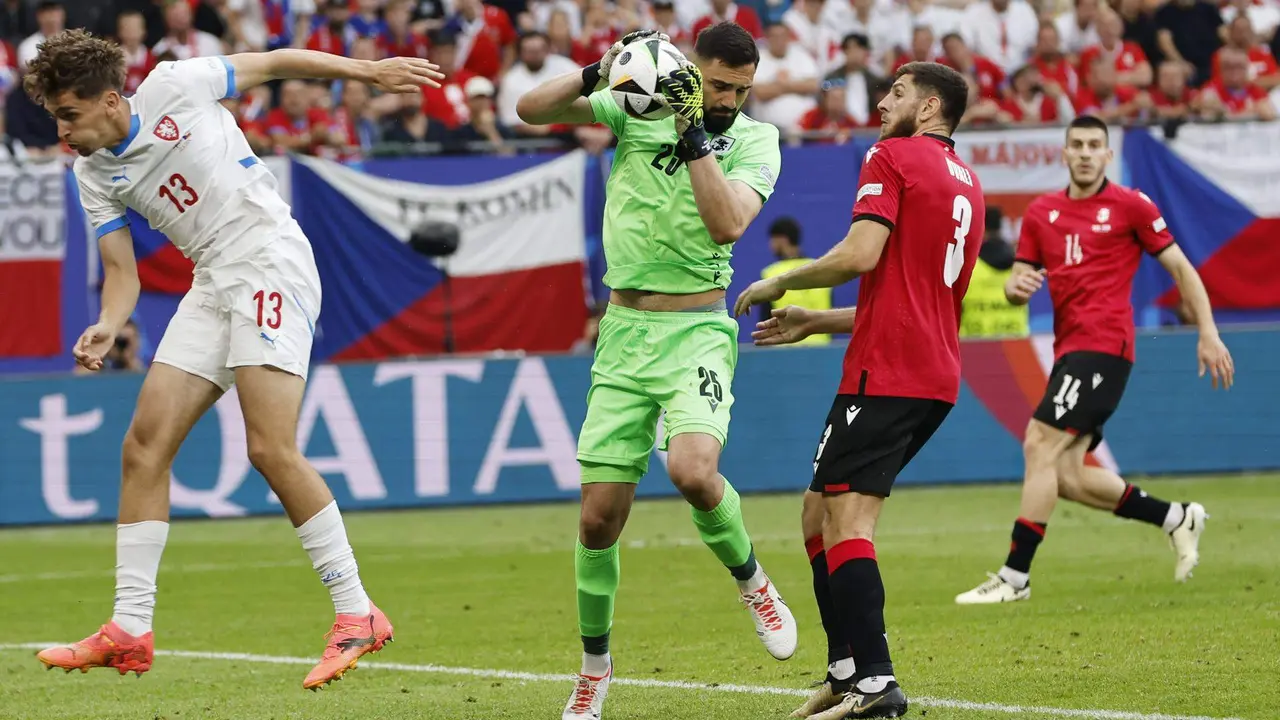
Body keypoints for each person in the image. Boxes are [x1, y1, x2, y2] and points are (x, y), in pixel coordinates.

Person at [24, 29, 443, 690]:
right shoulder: (93, 173)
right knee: (144, 447)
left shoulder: (175, 84)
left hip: (269, 260)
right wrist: (108, 322)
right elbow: (120, 272)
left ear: (109, 101)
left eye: (69, 115)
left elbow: (275, 62)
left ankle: (357, 611)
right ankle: (130, 628)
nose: (63, 132)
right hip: (215, 280)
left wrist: (369, 72)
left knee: (271, 448)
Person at [515, 22, 797, 720]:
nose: (730, 97)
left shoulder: (757, 140)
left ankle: (753, 580)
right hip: (623, 334)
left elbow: (728, 223)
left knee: (694, 471)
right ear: (687, 66)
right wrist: (602, 68)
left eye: (741, 88)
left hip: (696, 328)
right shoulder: (635, 106)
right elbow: (529, 109)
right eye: (718, 84)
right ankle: (594, 669)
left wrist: (696, 126)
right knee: (597, 522)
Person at [735, 61, 980, 719]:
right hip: (927, 370)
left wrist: (785, 280)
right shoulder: (968, 185)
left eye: (896, 92)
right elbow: (917, 298)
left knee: (848, 518)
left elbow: (859, 253)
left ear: (928, 108)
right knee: (818, 510)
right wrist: (818, 319)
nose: (881, 102)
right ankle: (847, 671)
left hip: (889, 372)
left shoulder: (892, 155)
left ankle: (875, 681)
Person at [955, 115, 1234, 605]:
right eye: (1076, 145)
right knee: (1066, 475)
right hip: (1070, 350)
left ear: (1108, 155)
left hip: (1105, 347)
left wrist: (1207, 332)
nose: (1084, 153)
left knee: (1039, 442)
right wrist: (1014, 287)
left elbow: (1181, 268)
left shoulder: (1131, 206)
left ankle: (1015, 576)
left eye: (1094, 146)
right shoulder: (1042, 213)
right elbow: (1019, 280)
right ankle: (1176, 517)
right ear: (1063, 154)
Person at [759, 216, 833, 345]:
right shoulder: (821, 268)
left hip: (785, 351)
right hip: (821, 349)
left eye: (773, 239)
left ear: (782, 240)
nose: (771, 245)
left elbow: (765, 323)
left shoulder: (770, 274)